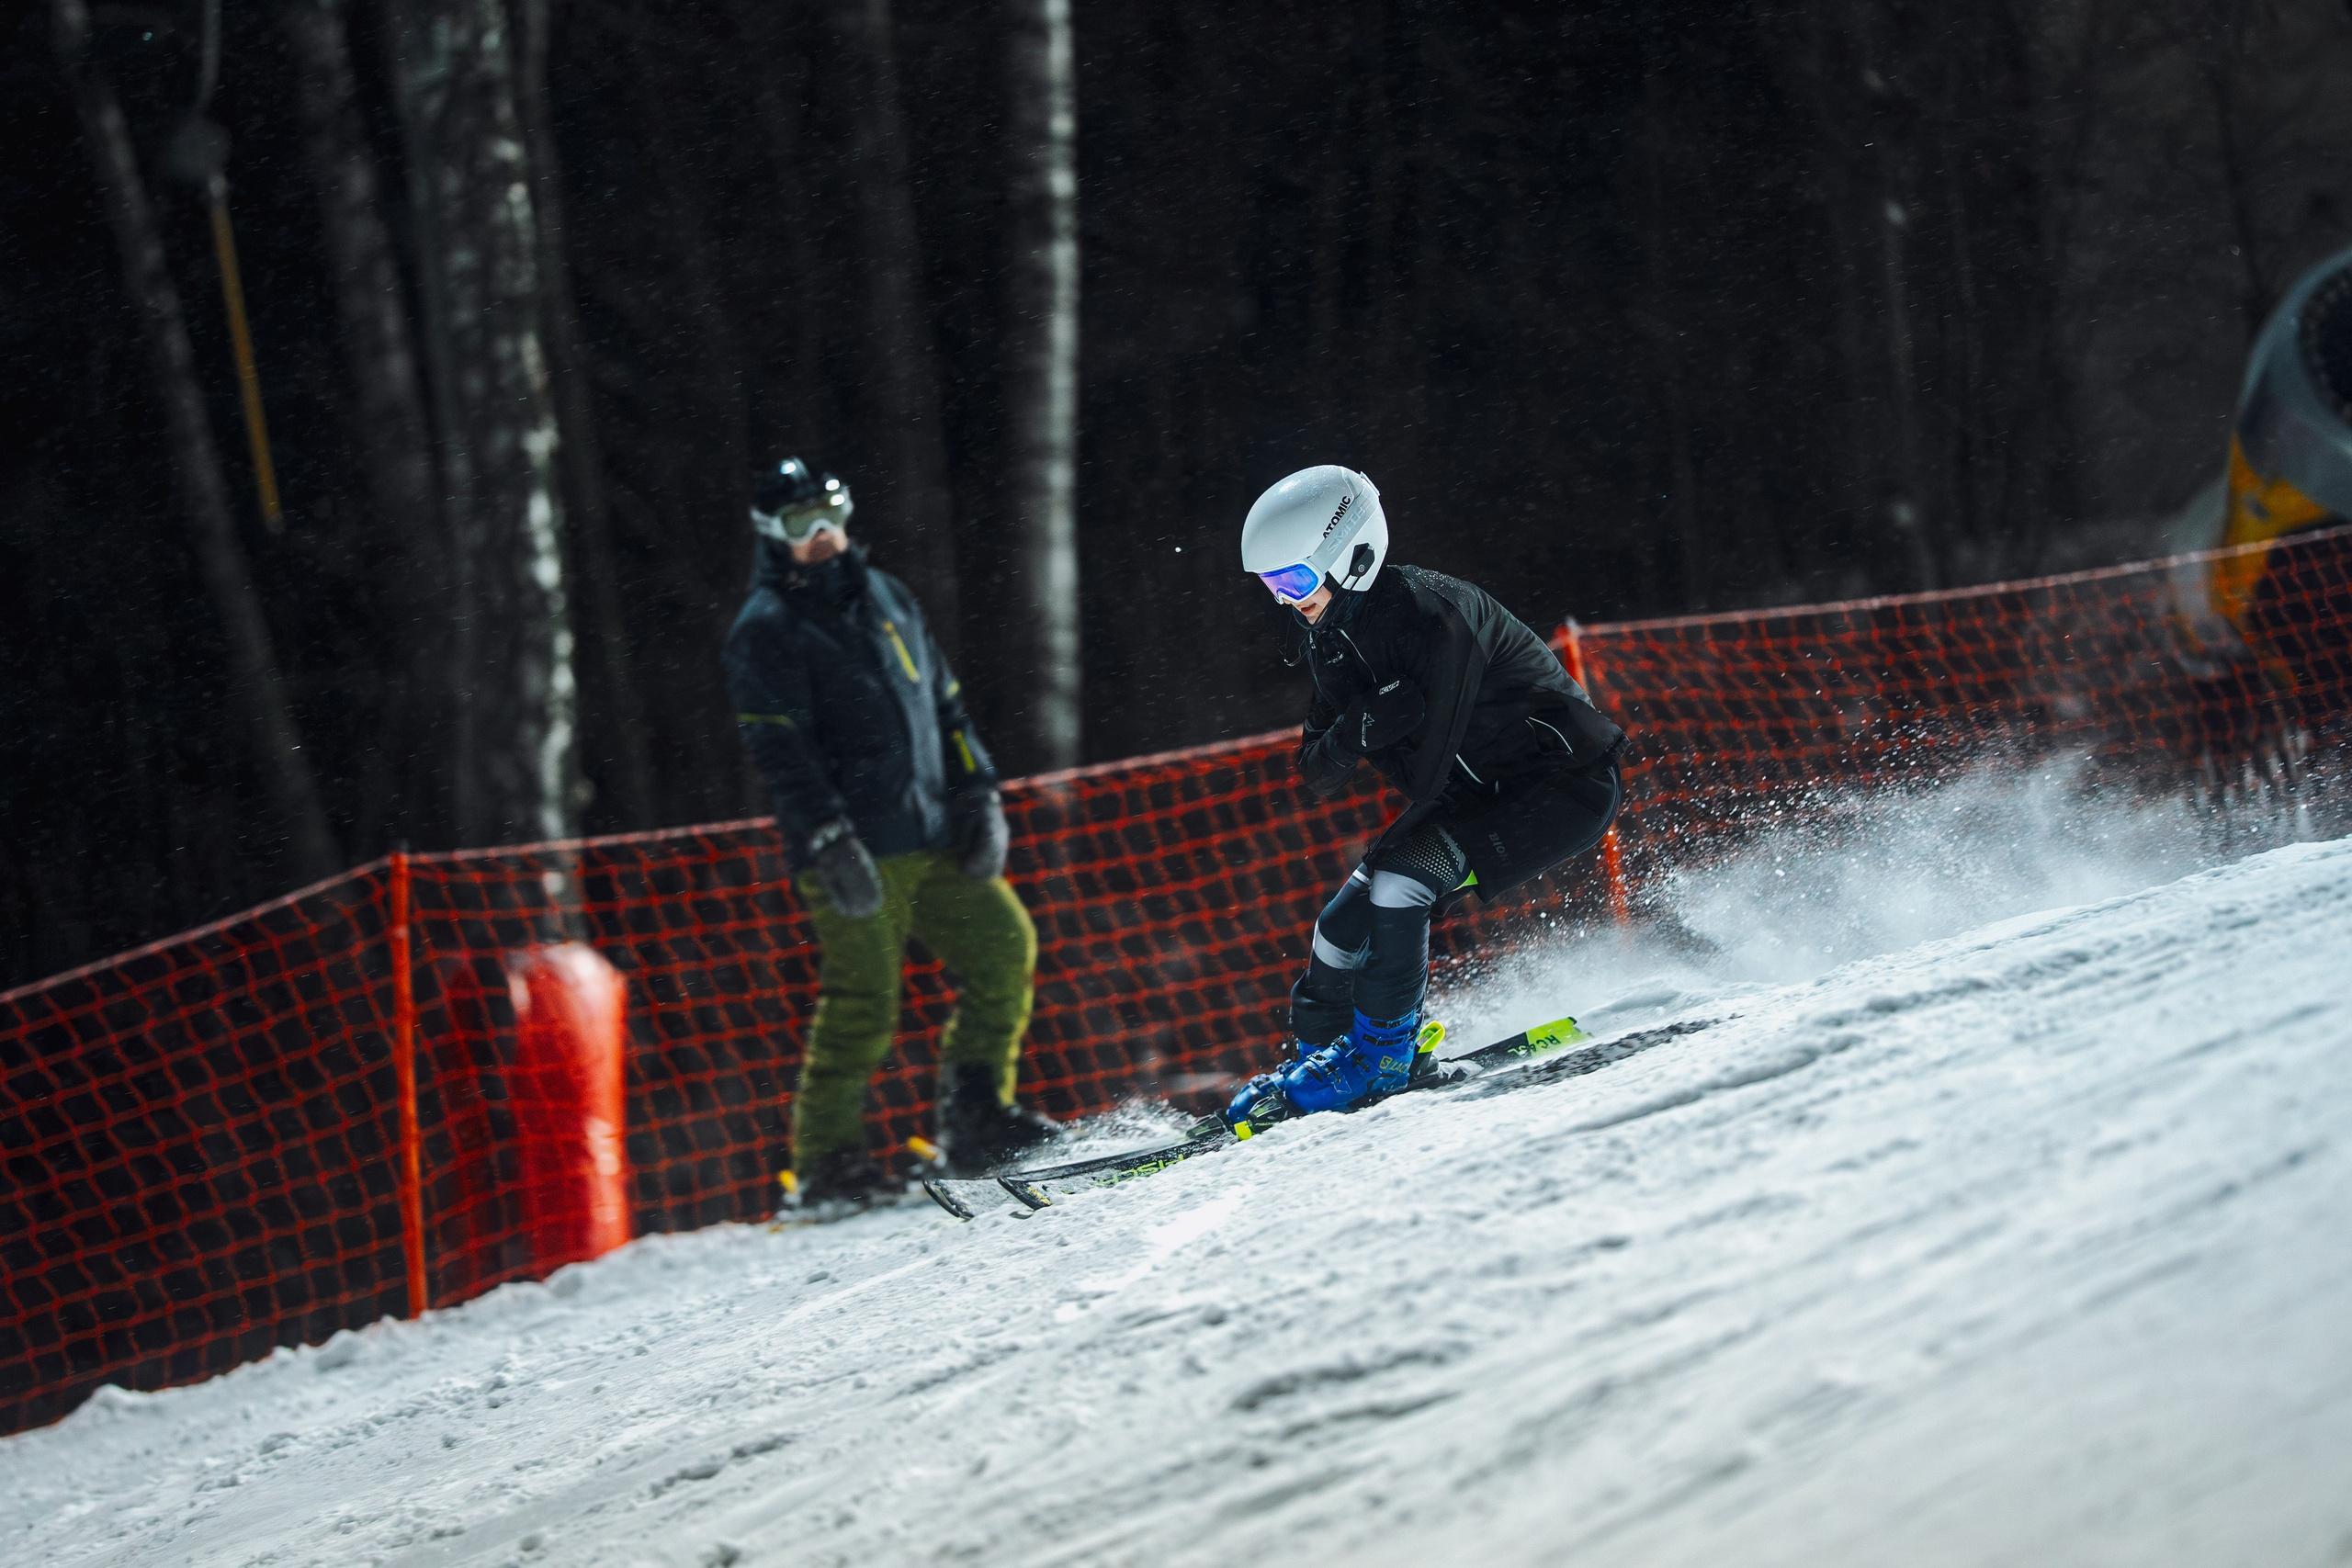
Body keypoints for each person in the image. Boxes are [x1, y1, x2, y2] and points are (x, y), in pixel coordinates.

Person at [1224, 465, 1629, 1130]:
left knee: (1400, 883)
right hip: (1475, 799)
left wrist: (1365, 753)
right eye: (1272, 586)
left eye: (1295, 580)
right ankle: (1323, 1055)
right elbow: (1315, 771)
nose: (1286, 601)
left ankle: (1383, 1058)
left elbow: (1430, 770)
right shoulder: (1333, 643)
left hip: (1562, 786)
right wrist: (1356, 728)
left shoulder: (1433, 612)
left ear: (1349, 555)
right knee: (1337, 925)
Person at [723, 457, 1057, 1201]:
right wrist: (827, 838)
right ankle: (824, 1163)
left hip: (933, 835)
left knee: (1004, 947)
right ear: (770, 535)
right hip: (853, 851)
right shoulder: (766, 630)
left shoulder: (886, 595)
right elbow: (780, 753)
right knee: (863, 1003)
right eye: (799, 524)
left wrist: (980, 795)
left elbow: (946, 705)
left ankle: (975, 1113)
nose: (820, 535)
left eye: (829, 515)